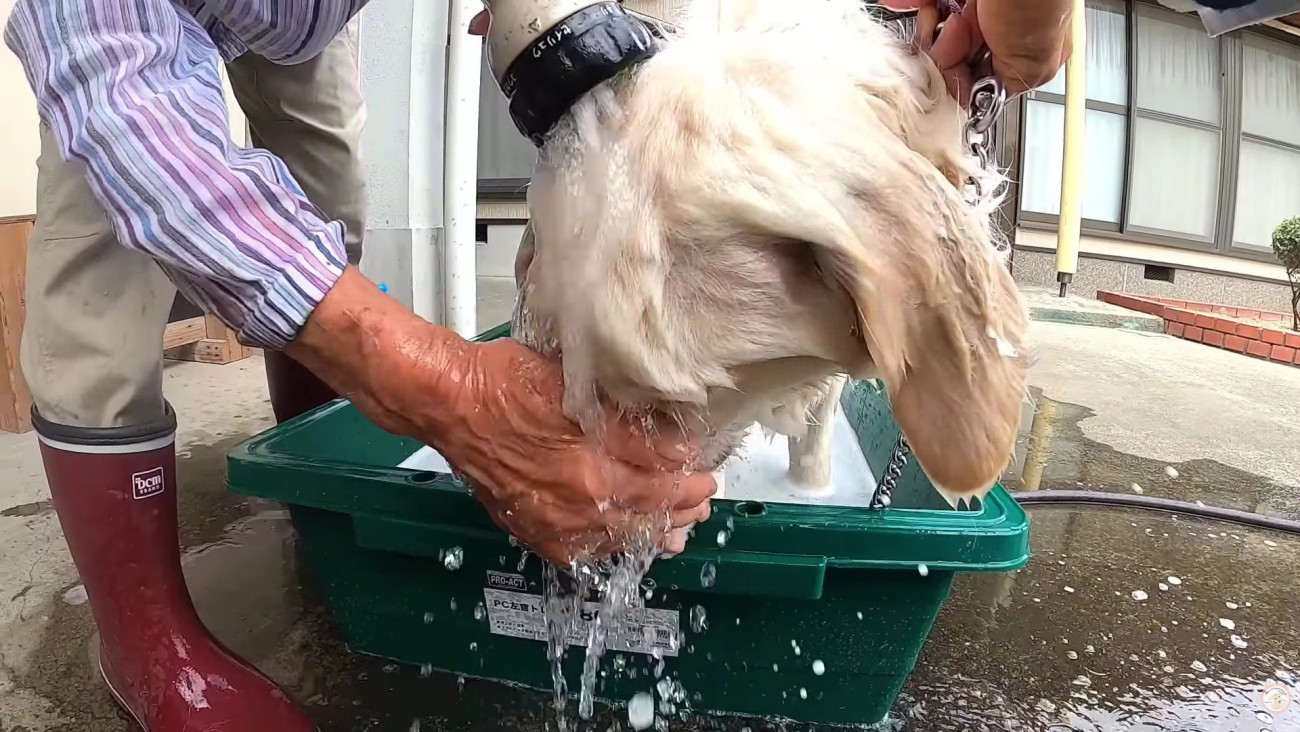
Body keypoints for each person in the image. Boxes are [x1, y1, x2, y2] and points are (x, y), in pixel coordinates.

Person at [4, 2, 713, 729]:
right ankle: (146, 644)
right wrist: (451, 397)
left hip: (304, 17)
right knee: (101, 270)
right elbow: (126, 104)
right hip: (120, 24)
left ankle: (317, 500)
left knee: (328, 199)